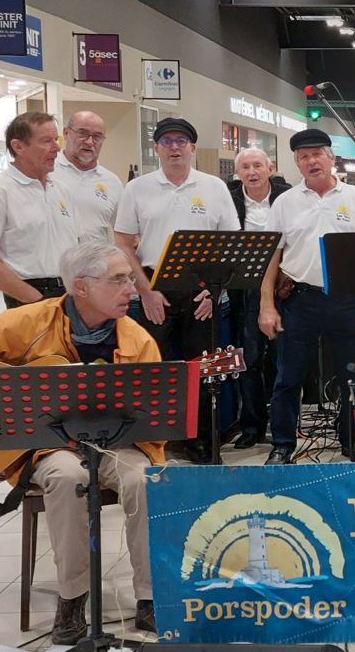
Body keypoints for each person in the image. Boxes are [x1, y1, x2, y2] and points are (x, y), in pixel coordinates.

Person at [0, 241, 159, 644]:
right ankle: (72, 598)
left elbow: (153, 417)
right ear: (80, 287)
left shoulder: (137, 340)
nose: (132, 290)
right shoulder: (28, 321)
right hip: (44, 446)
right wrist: (0, 395)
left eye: (131, 279)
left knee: (144, 478)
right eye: (119, 280)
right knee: (67, 478)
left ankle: (150, 598)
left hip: (113, 444)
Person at [114, 118, 239, 464]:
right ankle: (157, 439)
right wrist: (146, 290)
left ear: (192, 147)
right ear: (156, 148)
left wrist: (213, 293)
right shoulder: (137, 189)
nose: (174, 147)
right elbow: (123, 243)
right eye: (166, 141)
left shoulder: (214, 187)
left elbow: (230, 244)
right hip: (154, 289)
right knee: (154, 367)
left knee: (200, 369)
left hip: (201, 290)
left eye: (181, 141)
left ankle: (199, 439)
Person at [258, 129, 355, 465]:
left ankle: (351, 440)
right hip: (300, 301)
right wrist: (266, 305)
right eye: (303, 156)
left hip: (347, 301)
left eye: (317, 154)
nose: (311, 161)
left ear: (331, 158)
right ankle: (282, 445)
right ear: (297, 162)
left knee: (353, 378)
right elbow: (272, 257)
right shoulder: (284, 202)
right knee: (288, 378)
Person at [0, 111, 81, 308]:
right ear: (18, 146)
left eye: (56, 139)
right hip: (30, 295)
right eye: (46, 141)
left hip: (70, 292)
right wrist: (33, 299)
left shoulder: (62, 190)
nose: (56, 148)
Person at [226, 147, 291, 450]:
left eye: (257, 166)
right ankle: (251, 426)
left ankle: (285, 426)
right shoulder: (229, 197)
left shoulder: (287, 196)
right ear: (237, 173)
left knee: (284, 359)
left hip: (285, 285)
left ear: (270, 168)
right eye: (245, 167)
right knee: (248, 359)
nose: (252, 172)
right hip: (245, 287)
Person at [51, 111, 125, 245]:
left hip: (97, 263)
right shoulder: (47, 173)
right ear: (66, 133)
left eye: (97, 136)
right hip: (53, 265)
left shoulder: (112, 182)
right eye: (82, 133)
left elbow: (123, 235)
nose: (90, 142)